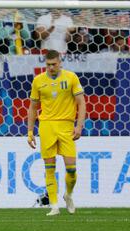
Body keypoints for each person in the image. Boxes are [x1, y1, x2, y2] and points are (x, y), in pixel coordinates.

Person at [27, 49, 86, 216]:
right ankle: (54, 206)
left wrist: (79, 126)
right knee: (49, 168)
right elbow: (32, 108)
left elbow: (81, 103)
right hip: (46, 127)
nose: (51, 67)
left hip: (66, 127)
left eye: (54, 64)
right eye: (48, 65)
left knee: (72, 169)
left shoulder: (71, 77)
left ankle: (68, 195)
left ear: (60, 62)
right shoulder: (38, 81)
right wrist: (30, 132)